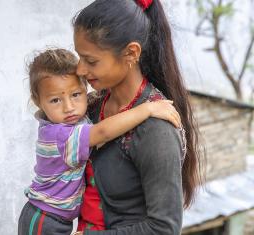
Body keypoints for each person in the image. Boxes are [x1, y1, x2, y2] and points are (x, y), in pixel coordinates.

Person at [72, 0, 203, 234]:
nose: (80, 70)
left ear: (131, 53)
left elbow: (164, 228)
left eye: (91, 61)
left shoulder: (156, 130)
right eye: (79, 58)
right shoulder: (92, 109)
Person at [18, 48, 181, 235]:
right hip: (44, 219)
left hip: (56, 218)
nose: (69, 107)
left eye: (76, 95)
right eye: (55, 100)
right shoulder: (60, 135)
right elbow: (102, 132)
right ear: (38, 102)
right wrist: (147, 110)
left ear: (84, 89)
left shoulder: (76, 119)